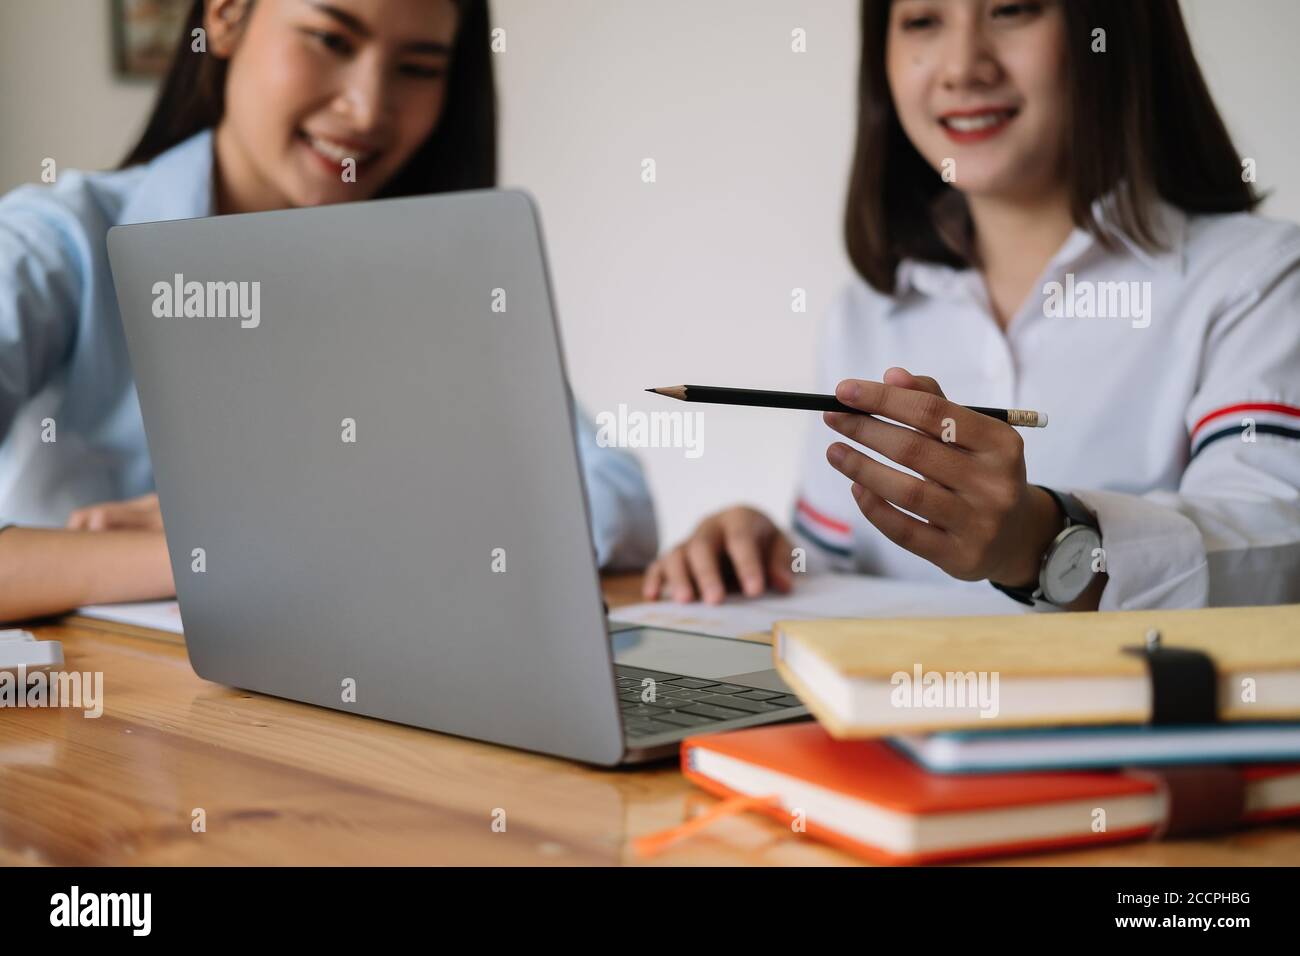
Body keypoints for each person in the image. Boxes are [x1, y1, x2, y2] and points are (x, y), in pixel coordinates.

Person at [0, 0, 655, 622]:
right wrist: (235, 548)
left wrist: (298, 525)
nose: (367, 109)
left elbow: (608, 499)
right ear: (226, 16)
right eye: (330, 40)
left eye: (419, 68)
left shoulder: (431, 280)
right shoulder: (55, 243)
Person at [645, 0, 1300, 611]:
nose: (962, 67)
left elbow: (1278, 550)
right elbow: (852, 573)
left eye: (1011, 9)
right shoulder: (867, 310)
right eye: (923, 20)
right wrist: (763, 551)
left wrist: (1048, 544)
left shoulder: (1258, 278)